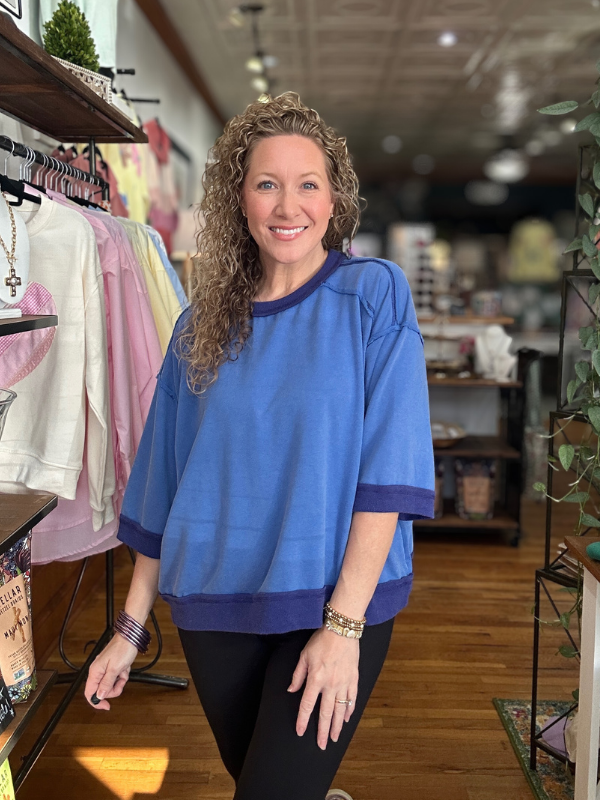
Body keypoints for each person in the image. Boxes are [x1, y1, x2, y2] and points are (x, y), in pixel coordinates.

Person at [84, 92, 435, 800]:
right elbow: (162, 485)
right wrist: (129, 627)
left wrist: (344, 628)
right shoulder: (198, 328)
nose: (288, 205)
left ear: (333, 201)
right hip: (216, 607)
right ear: (238, 200)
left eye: (308, 184)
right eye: (267, 184)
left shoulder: (373, 297)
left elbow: (387, 475)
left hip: (332, 602)